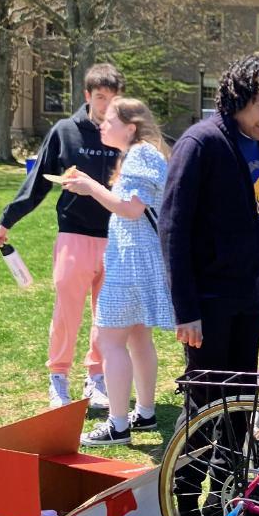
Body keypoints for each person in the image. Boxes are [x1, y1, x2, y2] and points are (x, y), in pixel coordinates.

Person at [159, 55, 259, 516]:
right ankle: (183, 508)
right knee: (205, 405)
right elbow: (173, 230)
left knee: (240, 406)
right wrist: (186, 310)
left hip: (244, 303)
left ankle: (224, 503)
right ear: (237, 97)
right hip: (207, 305)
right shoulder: (201, 143)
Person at [0, 63, 125, 409]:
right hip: (74, 236)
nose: (106, 106)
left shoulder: (125, 133)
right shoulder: (66, 130)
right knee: (67, 313)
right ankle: (58, 378)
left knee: (106, 316)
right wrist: (7, 220)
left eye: (113, 99)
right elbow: (37, 183)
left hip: (116, 239)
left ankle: (96, 380)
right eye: (100, 98)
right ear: (87, 96)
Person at [61, 97, 172, 445]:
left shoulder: (139, 154)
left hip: (132, 261)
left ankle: (119, 424)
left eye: (109, 120)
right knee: (139, 338)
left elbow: (131, 208)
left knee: (110, 340)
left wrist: (90, 187)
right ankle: (146, 413)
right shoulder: (145, 153)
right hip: (141, 258)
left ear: (131, 126)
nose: (102, 125)